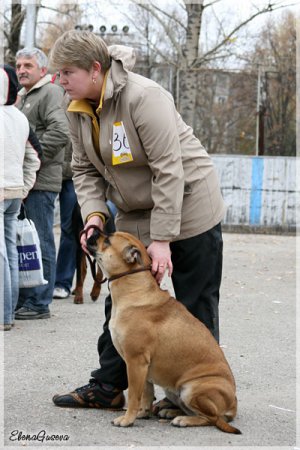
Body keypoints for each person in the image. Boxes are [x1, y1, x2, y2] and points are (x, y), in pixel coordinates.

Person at [49, 30, 225, 410]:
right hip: (136, 211)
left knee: (195, 306)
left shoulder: (144, 97)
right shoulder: (76, 105)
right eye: (57, 74)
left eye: (66, 73)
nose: (59, 81)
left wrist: (162, 239)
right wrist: (95, 217)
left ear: (95, 70)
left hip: (191, 207)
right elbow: (83, 169)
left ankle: (189, 393)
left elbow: (168, 170)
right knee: (124, 303)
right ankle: (108, 387)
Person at [14, 48, 70, 320]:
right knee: (25, 243)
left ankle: (39, 302)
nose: (22, 70)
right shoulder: (24, 96)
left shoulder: (50, 93)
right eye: (18, 65)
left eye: (28, 65)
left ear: (42, 70)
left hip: (42, 180)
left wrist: (30, 159)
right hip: (27, 182)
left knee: (42, 240)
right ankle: (27, 298)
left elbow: (60, 131)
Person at [0, 65, 41, 331]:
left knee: (3, 255)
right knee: (10, 253)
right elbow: (34, 157)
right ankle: (9, 313)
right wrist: (24, 187)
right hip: (14, 192)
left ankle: (3, 316)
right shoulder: (19, 117)